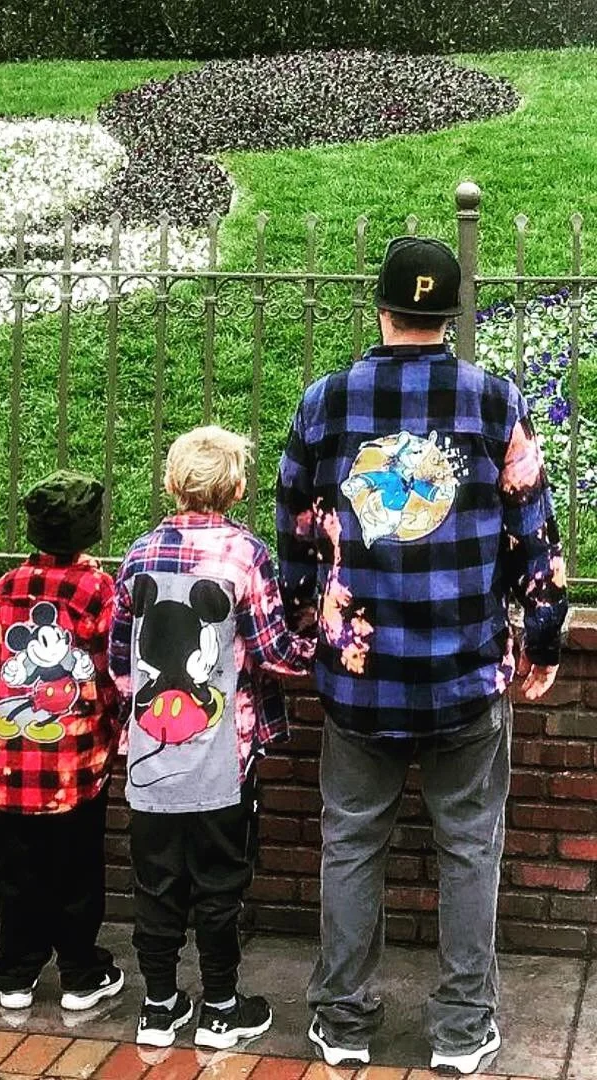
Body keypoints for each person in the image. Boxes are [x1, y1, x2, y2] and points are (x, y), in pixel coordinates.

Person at [276, 236, 569, 1075]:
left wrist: (309, 630)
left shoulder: (325, 403)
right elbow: (533, 533)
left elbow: (296, 534)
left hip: (360, 676)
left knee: (352, 842)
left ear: (381, 307)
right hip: (465, 671)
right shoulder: (491, 401)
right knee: (471, 844)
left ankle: (341, 1021)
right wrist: (539, 638)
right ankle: (464, 1030)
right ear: (449, 315)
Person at [109, 426, 315, 1049]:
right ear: (240, 488)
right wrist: (318, 647)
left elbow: (120, 658)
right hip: (225, 757)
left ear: (171, 484)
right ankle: (222, 1006)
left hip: (150, 757)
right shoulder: (246, 556)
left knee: (157, 882)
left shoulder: (139, 554)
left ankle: (159, 1003)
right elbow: (274, 652)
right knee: (221, 881)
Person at [0, 470, 124, 1012]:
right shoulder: (98, 589)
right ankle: (80, 971)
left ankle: (15, 970)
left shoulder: (5, 587)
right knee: (78, 869)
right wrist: (112, 727)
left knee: (18, 872)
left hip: (11, 764)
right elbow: (108, 673)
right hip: (76, 765)